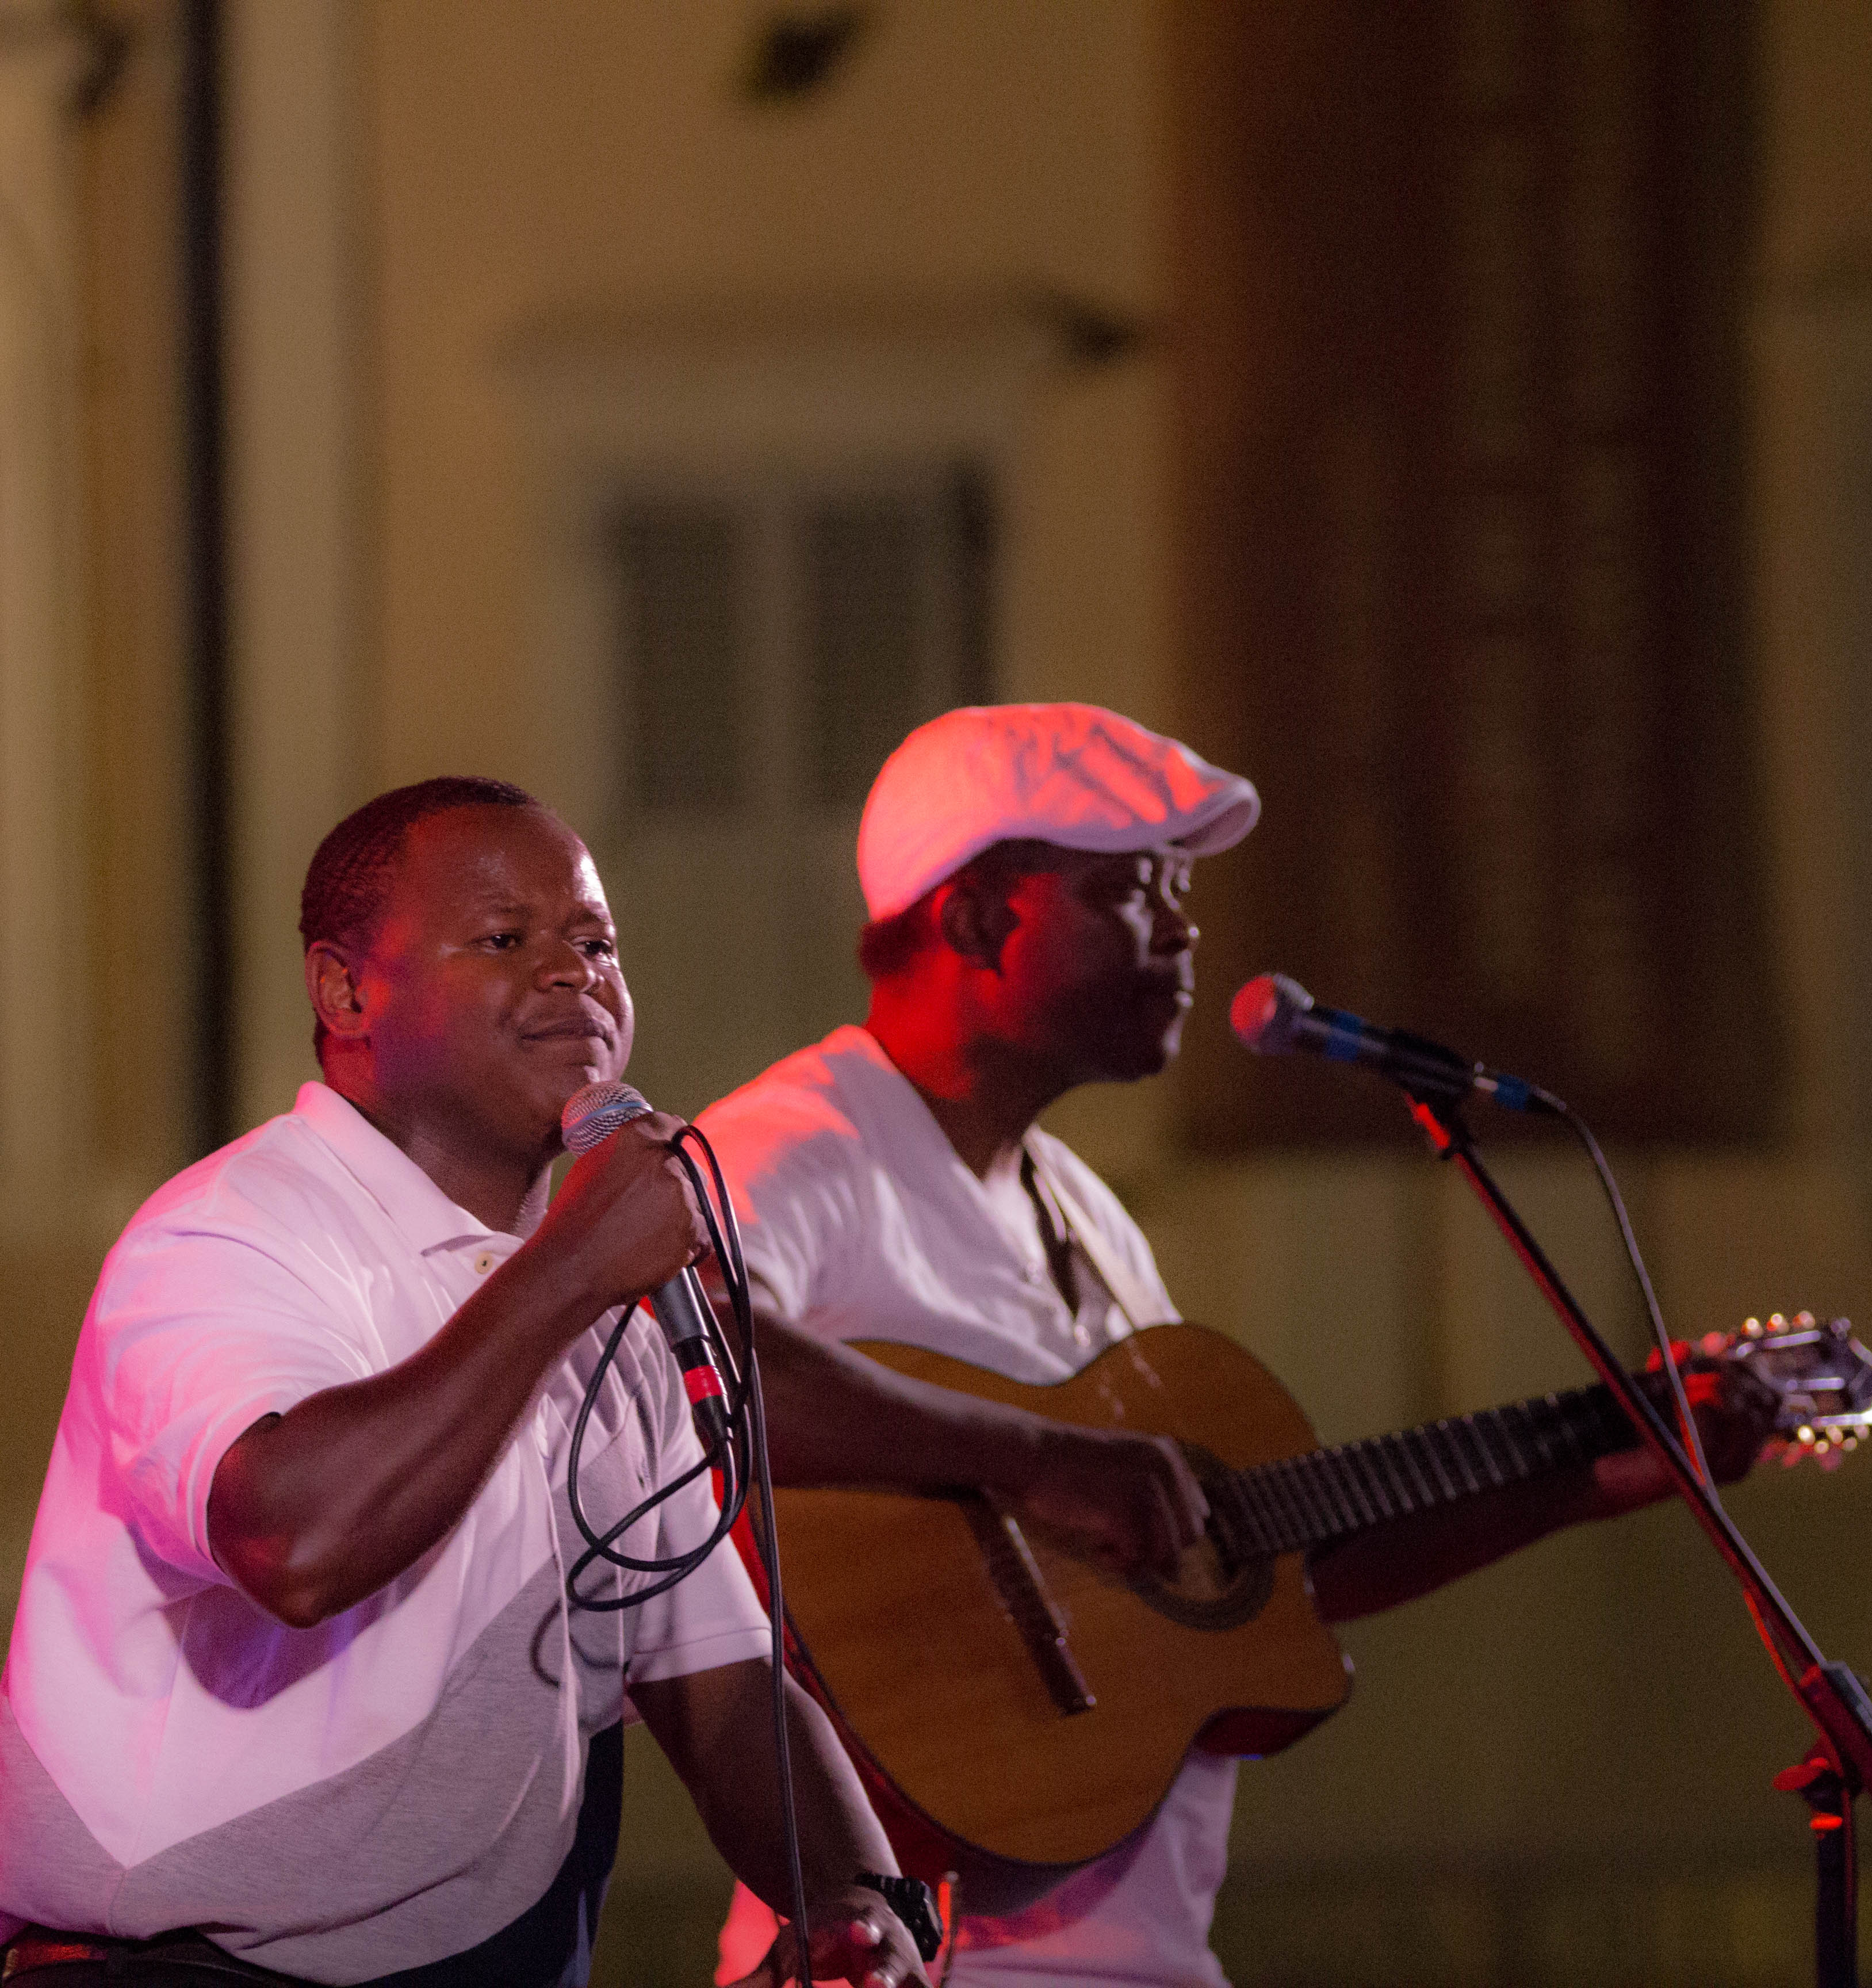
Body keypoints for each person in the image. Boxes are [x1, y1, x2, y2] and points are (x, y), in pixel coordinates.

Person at [702, 704, 1759, 1988]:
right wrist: (1035, 1461)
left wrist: (1595, 1471)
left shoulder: (1086, 1214)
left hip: (1150, 1959)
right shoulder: (803, 1143)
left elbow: (1235, 1571)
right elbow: (682, 1361)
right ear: (980, 918)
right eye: (1134, 890)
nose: (1186, 930)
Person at [0, 778, 928, 1988]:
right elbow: (297, 1539)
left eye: (596, 942)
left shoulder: (608, 1314)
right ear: (346, 990)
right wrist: (569, 1271)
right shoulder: (230, 1238)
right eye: (506, 940)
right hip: (181, 1967)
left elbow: (726, 1690)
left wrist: (866, 1907)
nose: (573, 975)